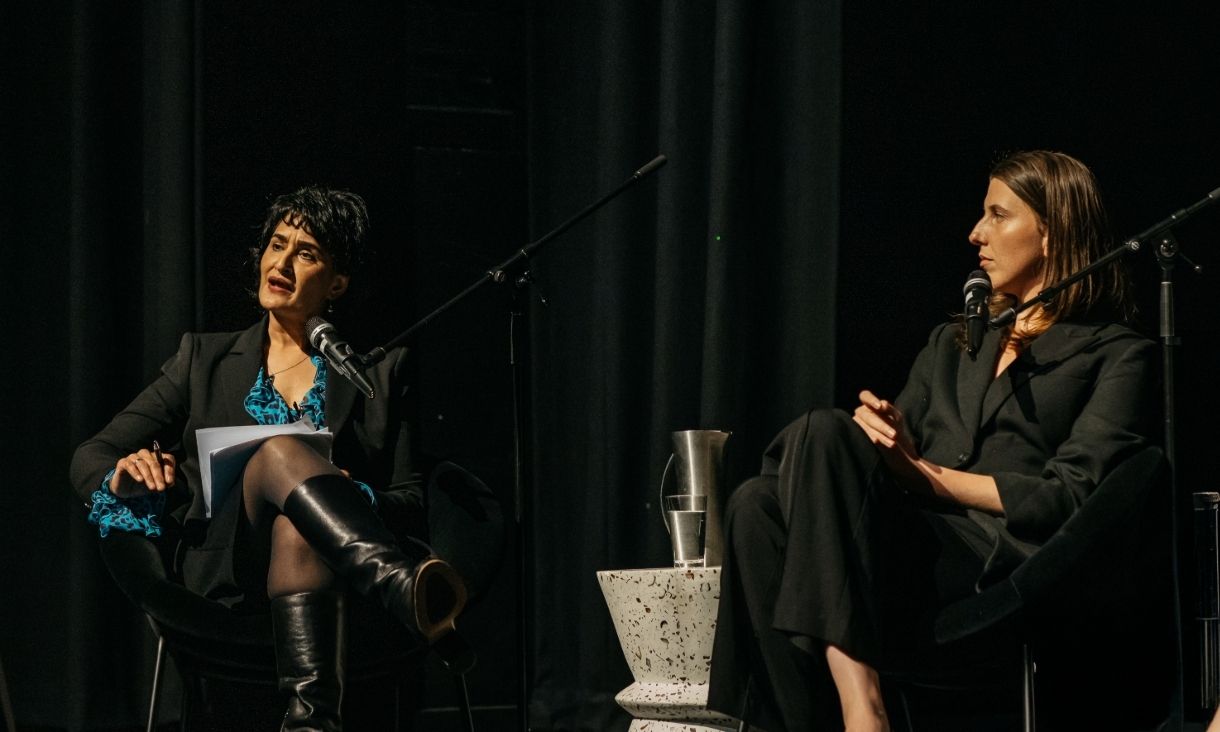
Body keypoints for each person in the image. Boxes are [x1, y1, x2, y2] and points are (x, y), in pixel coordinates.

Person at [707, 150, 1160, 731]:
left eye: (998, 215)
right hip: (906, 554)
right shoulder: (953, 344)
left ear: (1052, 234)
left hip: (994, 564)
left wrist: (927, 475)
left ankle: (863, 711)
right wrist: (884, 436)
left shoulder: (1117, 354)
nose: (977, 234)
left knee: (817, 437)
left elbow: (1071, 496)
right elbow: (885, 458)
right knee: (757, 505)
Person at [70, 186, 466, 731]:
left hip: (323, 573)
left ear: (337, 283)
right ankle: (400, 584)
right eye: (276, 245)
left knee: (296, 526)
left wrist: (346, 491)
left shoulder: (377, 372)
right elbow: (92, 453)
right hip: (226, 564)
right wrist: (124, 475)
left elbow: (411, 499)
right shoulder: (202, 359)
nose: (280, 262)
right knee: (281, 450)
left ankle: (310, 724)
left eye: (306, 253)